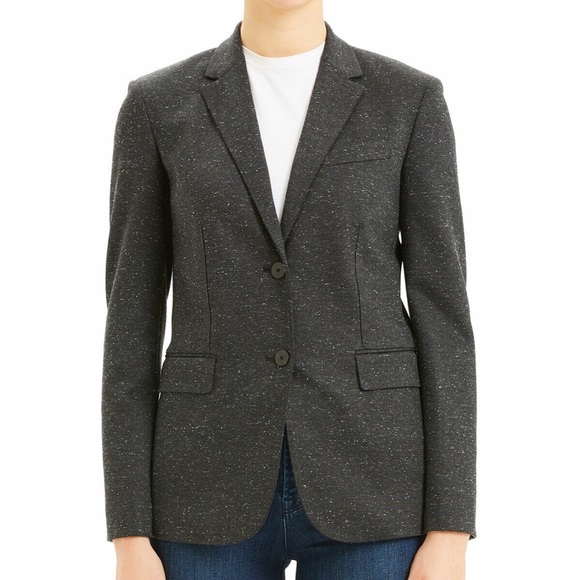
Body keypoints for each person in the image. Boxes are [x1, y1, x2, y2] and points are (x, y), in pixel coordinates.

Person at [102, 1, 477, 578]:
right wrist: (129, 531)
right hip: (201, 485)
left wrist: (450, 527)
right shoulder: (158, 104)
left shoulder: (407, 99)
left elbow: (444, 320)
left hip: (375, 481)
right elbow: (130, 326)